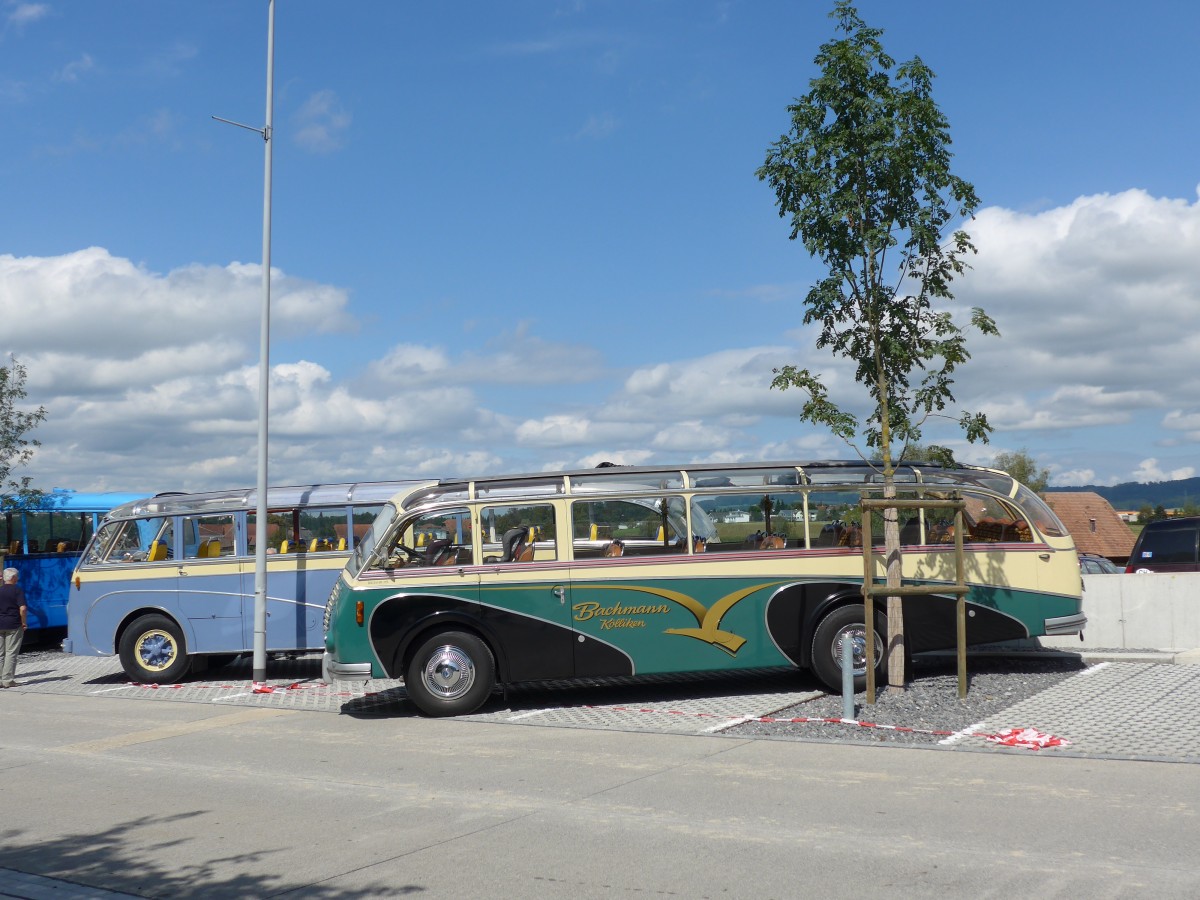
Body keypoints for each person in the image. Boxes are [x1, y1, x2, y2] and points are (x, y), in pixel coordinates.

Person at [0, 566, 27, 688]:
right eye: (17, 576)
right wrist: (23, 622)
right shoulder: (17, 590)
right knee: (11, 653)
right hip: (13, 625)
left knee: (0, 653)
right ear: (14, 578)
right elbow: (23, 608)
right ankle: (8, 680)